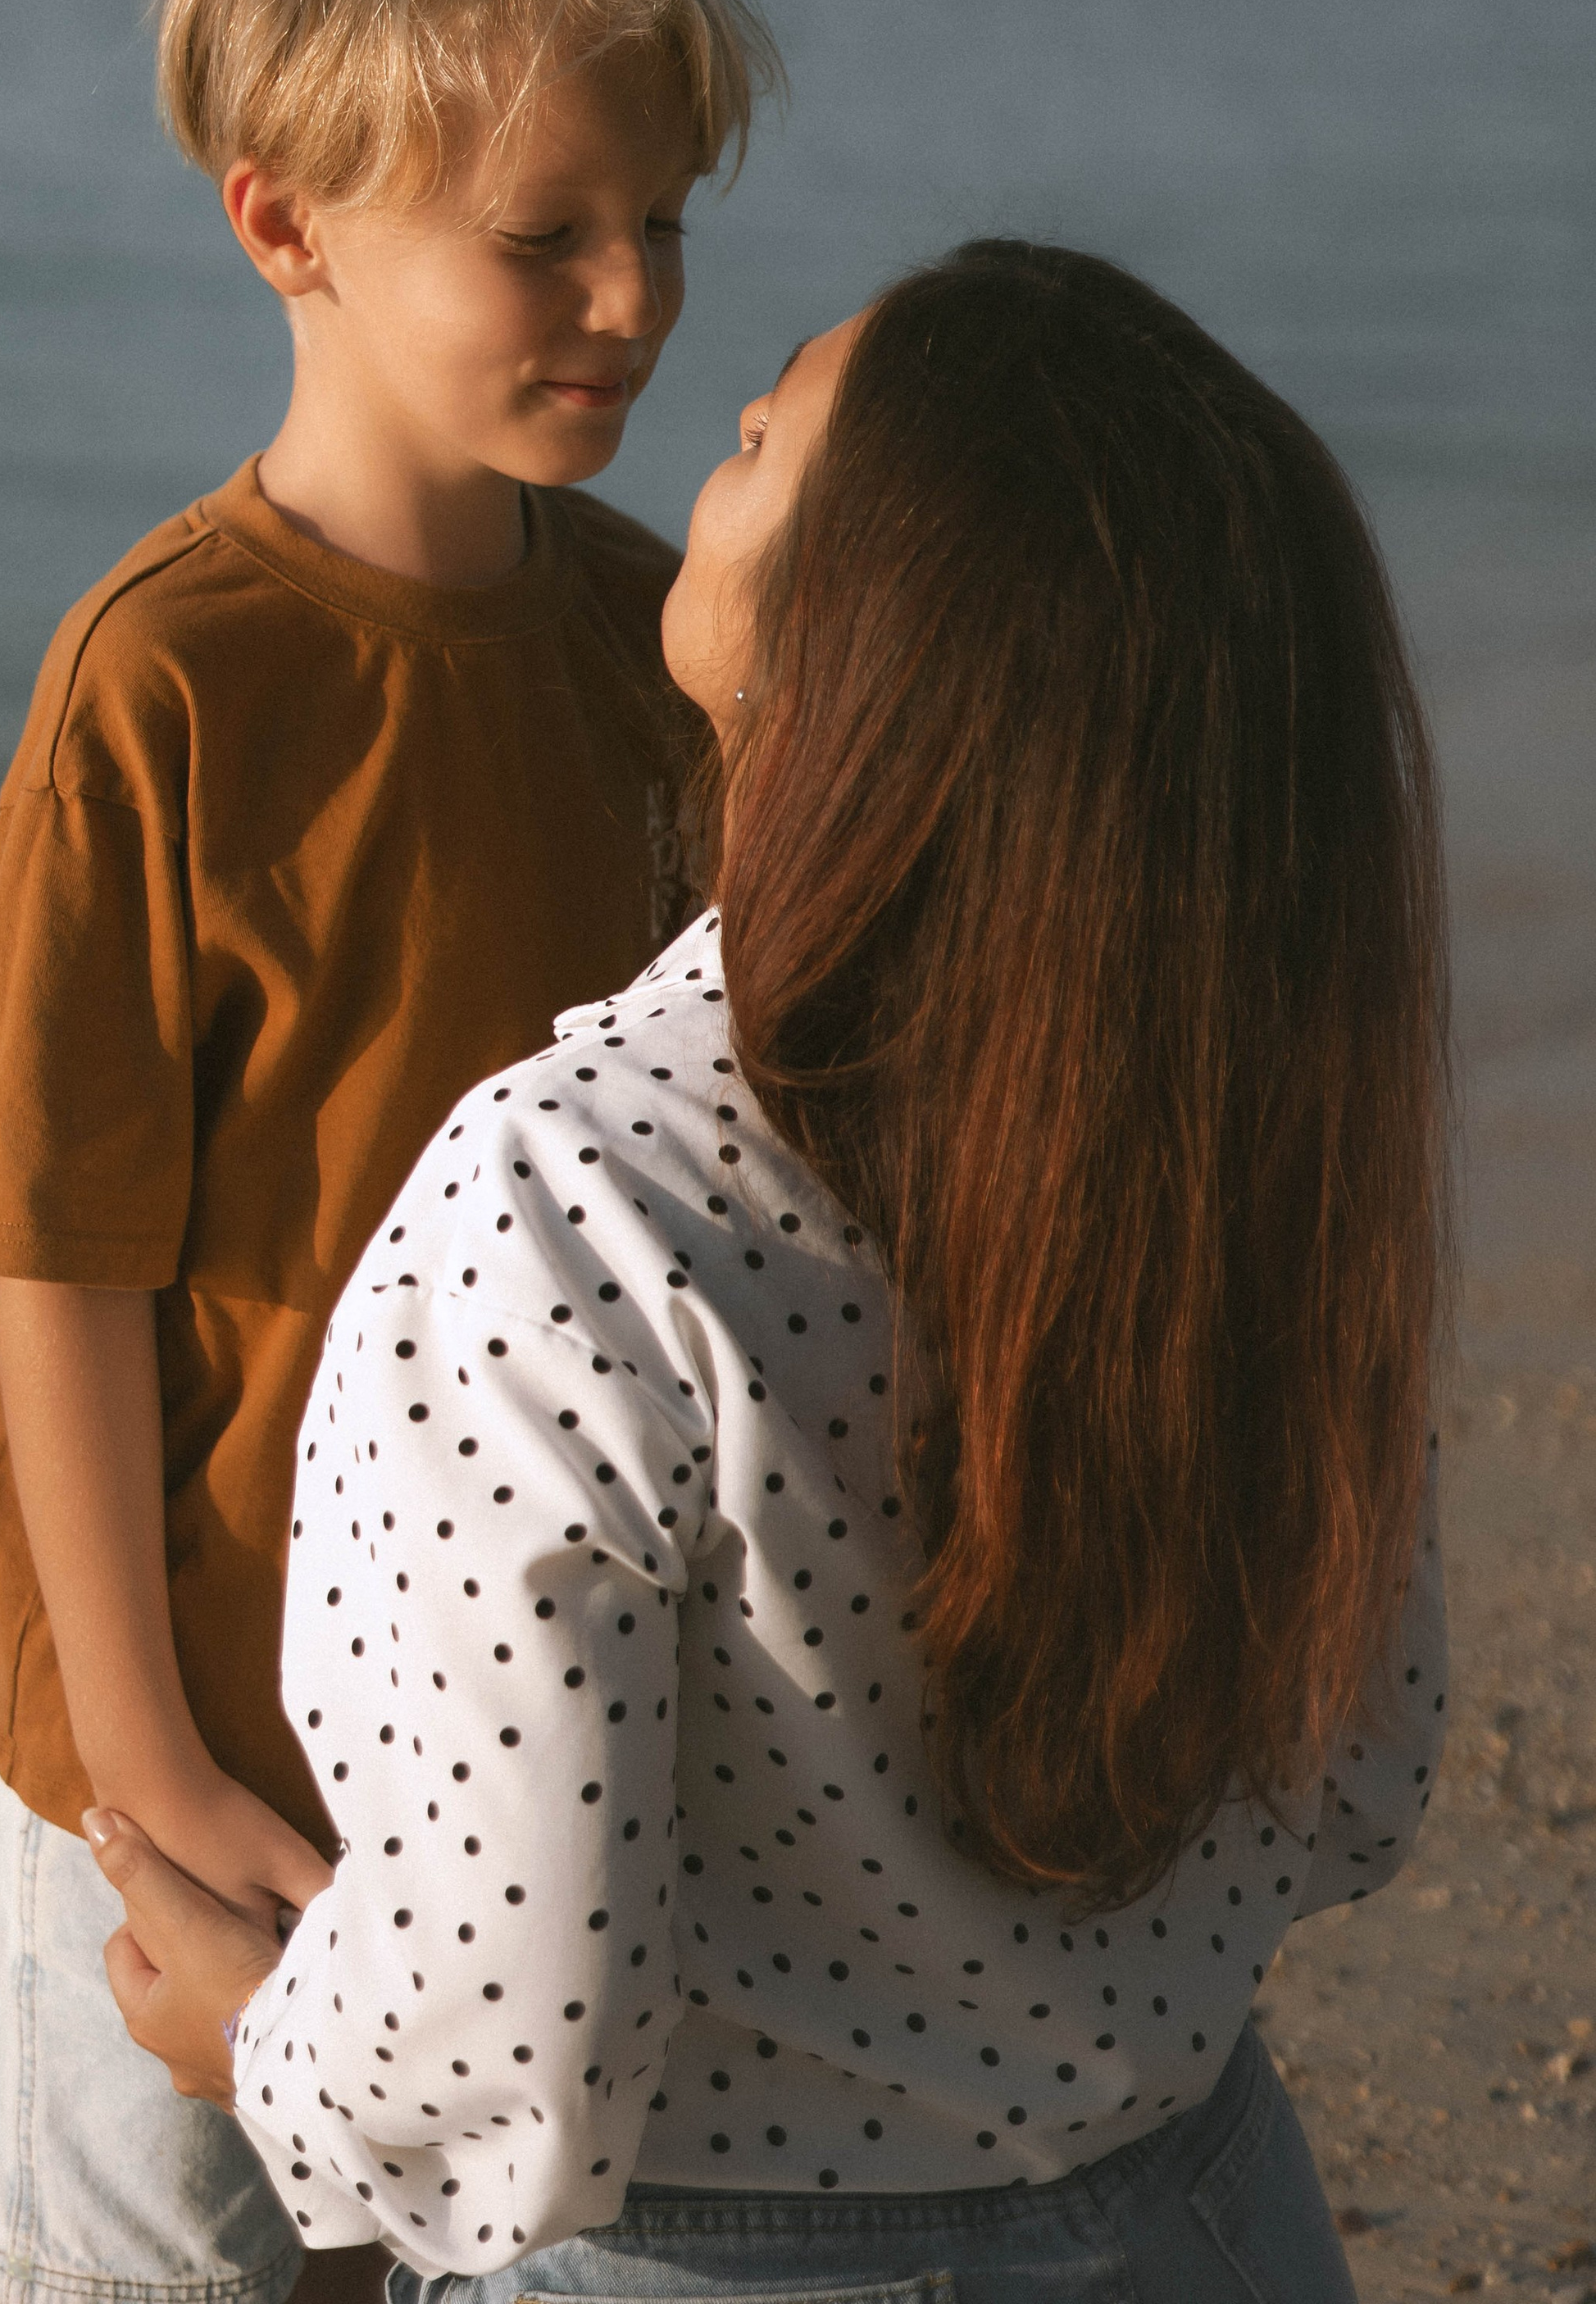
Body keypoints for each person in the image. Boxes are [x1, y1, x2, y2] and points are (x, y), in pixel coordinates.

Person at [87, 243, 1450, 2304]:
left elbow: (504, 2003)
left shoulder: (577, 1201)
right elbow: (1352, 1769)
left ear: (857, 636)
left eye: (751, 444)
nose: (694, 428)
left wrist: (255, 2051)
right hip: (1195, 2208)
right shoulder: (1227, 1145)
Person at [0, 0, 780, 2304]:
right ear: (282, 219)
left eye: (667, 224)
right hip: (165, 1710)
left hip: (519, 1706)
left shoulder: (667, 651)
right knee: (155, 2270)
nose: (632, 296)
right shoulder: (167, 684)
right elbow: (56, 1274)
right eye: (548, 235)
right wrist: (143, 1754)